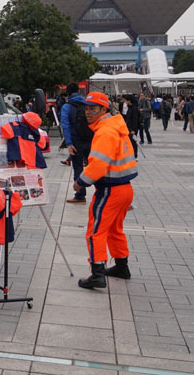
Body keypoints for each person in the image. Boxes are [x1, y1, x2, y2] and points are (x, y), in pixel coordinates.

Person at [73, 92, 137, 289]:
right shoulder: (116, 127)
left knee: (95, 232)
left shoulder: (105, 131)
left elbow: (99, 164)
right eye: (86, 108)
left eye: (93, 109)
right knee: (114, 229)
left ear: (104, 110)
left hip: (110, 190)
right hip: (125, 189)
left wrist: (80, 182)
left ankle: (97, 273)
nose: (88, 113)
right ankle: (121, 266)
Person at [60, 83, 92, 203]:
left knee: (78, 167)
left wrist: (69, 143)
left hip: (76, 141)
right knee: (94, 165)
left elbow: (66, 126)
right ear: (78, 91)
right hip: (90, 139)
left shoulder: (66, 107)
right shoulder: (87, 104)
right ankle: (103, 190)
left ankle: (80, 194)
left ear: (67, 93)